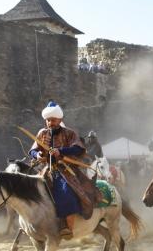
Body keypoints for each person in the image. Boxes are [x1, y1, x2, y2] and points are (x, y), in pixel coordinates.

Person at [29, 101, 100, 239]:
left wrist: (61, 151)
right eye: (48, 120)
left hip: (66, 171)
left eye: (53, 120)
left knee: (66, 193)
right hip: (46, 170)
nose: (50, 122)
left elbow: (79, 148)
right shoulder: (42, 133)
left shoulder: (70, 133)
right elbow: (32, 150)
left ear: (60, 119)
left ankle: (68, 228)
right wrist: (37, 154)